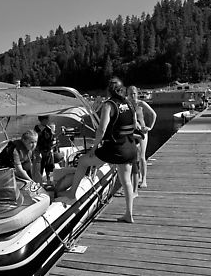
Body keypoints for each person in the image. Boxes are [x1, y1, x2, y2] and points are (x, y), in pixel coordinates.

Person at [64, 77, 137, 223]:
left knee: (84, 161)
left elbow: (101, 130)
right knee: (126, 181)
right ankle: (129, 214)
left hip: (115, 148)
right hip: (130, 146)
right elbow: (134, 124)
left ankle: (72, 194)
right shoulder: (128, 103)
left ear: (109, 91)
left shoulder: (108, 105)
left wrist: (95, 147)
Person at [127, 85, 157, 189]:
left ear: (137, 94)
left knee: (142, 156)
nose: (133, 95)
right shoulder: (126, 105)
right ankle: (136, 176)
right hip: (131, 132)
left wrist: (150, 127)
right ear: (127, 94)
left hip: (142, 131)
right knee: (133, 156)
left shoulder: (141, 104)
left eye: (134, 93)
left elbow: (153, 114)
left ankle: (144, 180)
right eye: (131, 94)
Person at [34, 116, 58, 184]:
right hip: (40, 151)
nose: (48, 121)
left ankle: (50, 181)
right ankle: (39, 182)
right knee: (40, 168)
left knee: (50, 167)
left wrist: (53, 143)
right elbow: (35, 139)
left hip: (48, 151)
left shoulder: (49, 129)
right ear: (42, 120)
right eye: (46, 120)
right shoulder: (37, 129)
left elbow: (52, 139)